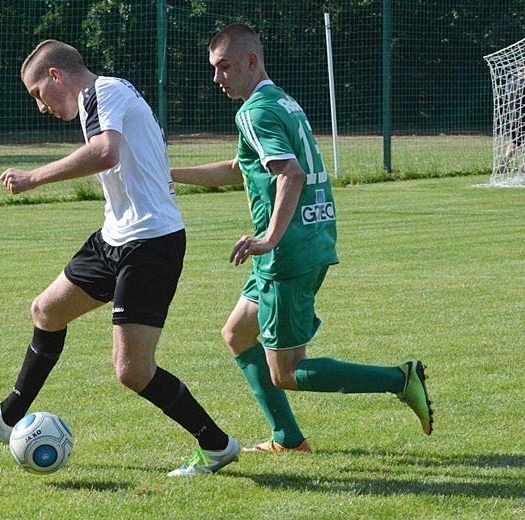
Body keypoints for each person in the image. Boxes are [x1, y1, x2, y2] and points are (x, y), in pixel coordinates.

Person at [0, 39, 239, 477]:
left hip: (150, 244)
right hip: (114, 237)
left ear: (55, 76)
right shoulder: (101, 97)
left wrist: (34, 177)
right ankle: (8, 416)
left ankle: (217, 446)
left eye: (38, 95)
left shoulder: (104, 92)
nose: (41, 107)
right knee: (46, 311)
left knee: (132, 371)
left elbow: (106, 152)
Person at [170, 23, 434, 451]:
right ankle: (287, 438)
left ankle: (399, 379)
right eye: (214, 68)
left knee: (287, 372)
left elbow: (290, 174)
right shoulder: (282, 102)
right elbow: (240, 169)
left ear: (251, 61)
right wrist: (171, 175)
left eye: (225, 67)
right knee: (237, 335)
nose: (217, 78)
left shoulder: (254, 112)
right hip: (308, 240)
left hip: (287, 253)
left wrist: (269, 239)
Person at [500, 62, 525, 176]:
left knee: (515, 141)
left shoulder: (510, 81)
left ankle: (505, 163)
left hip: (515, 116)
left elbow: (508, 97)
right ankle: (524, 168)